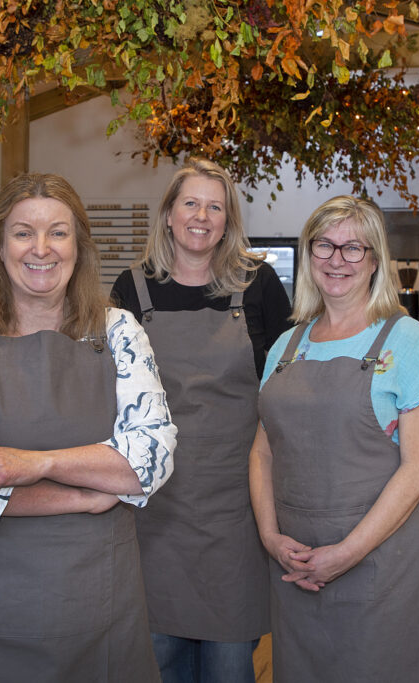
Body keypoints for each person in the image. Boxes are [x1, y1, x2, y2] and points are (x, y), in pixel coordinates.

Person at [0, 173, 177, 682]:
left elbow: (150, 460)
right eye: (23, 233)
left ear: (78, 246)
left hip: (100, 607)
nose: (41, 249)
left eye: (58, 232)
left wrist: (34, 465)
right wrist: (88, 494)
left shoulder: (120, 331)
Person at [251, 196, 419, 682]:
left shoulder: (406, 339)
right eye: (325, 245)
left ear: (375, 260)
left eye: (354, 248)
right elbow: (262, 452)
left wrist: (346, 554)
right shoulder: (286, 345)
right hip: (296, 564)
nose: (337, 259)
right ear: (308, 254)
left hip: (377, 562)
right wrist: (270, 536)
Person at [111, 159, 292, 682]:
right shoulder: (132, 290)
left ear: (228, 219)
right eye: (190, 203)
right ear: (168, 214)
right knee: (158, 657)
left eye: (215, 206)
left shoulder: (258, 285)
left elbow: (286, 383)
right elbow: (110, 393)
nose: (202, 216)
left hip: (236, 505)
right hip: (156, 509)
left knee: (229, 665)